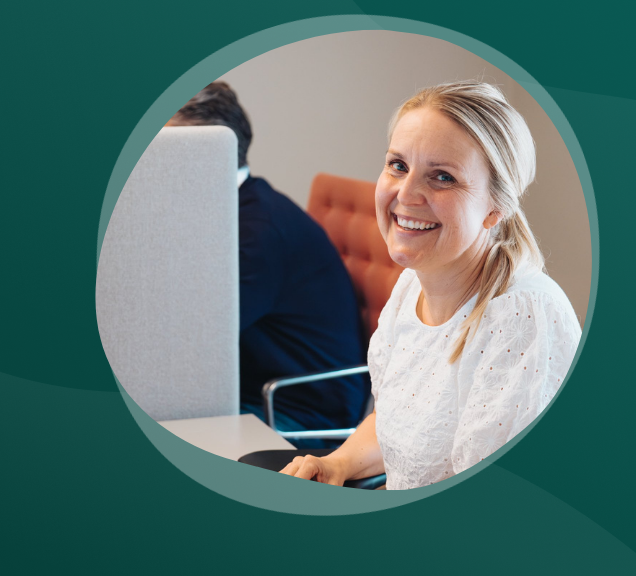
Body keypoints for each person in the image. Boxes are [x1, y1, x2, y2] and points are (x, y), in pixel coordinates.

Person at [279, 81, 581, 489]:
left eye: (442, 177)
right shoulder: (411, 287)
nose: (406, 194)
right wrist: (338, 464)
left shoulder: (524, 319)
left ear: (495, 208)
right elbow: (405, 423)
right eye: (398, 166)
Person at [167, 82, 368, 445]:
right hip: (256, 386)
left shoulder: (257, 233)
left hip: (299, 411)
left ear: (213, 154)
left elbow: (192, 343)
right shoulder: (229, 208)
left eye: (168, 149)